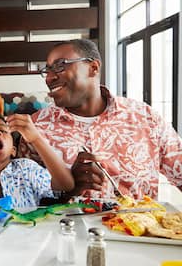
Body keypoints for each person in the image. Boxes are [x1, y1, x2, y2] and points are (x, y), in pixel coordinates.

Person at [16, 38, 182, 201]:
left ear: (93, 68)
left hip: (138, 226)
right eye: (47, 70)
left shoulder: (146, 119)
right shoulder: (35, 128)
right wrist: (67, 188)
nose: (49, 77)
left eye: (60, 65)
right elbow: (25, 200)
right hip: (65, 228)